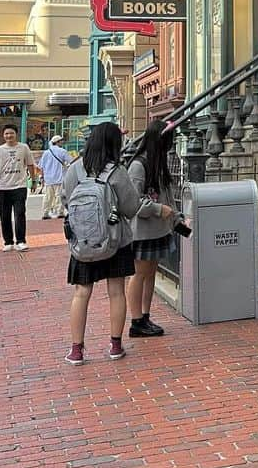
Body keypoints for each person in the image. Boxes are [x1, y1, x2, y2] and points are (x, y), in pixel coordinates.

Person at [62, 121, 141, 365]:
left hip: (83, 242)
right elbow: (131, 207)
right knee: (116, 291)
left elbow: (66, 200)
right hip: (114, 241)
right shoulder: (117, 172)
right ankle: (115, 345)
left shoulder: (75, 169)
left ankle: (77, 350)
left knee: (81, 292)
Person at [125, 119, 178, 339]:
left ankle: (145, 316)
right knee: (139, 274)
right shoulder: (139, 166)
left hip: (158, 229)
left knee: (150, 273)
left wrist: (177, 218)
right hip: (143, 231)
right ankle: (136, 320)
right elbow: (133, 202)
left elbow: (167, 197)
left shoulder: (158, 163)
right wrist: (158, 209)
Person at [0, 124, 37, 252]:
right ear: (3, 136)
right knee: (5, 216)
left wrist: (33, 180)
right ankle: (8, 242)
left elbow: (30, 164)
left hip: (20, 186)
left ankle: (21, 241)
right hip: (4, 188)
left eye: (11, 133)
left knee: (20, 213)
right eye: (6, 134)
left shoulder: (24, 148)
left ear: (16, 134)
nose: (9, 136)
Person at [40, 136, 72, 219]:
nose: (62, 142)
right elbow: (71, 162)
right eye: (61, 141)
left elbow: (41, 166)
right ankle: (59, 212)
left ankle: (45, 212)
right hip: (60, 177)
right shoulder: (62, 151)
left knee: (48, 196)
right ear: (57, 142)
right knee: (59, 195)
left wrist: (42, 178)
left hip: (48, 178)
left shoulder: (46, 152)